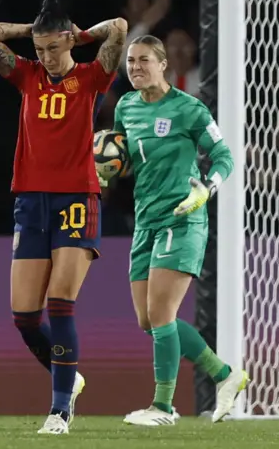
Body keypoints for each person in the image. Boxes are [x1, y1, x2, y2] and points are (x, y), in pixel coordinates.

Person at [0, 0, 127, 435]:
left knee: (60, 302)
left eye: (53, 49)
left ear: (70, 43)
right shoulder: (27, 76)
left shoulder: (92, 77)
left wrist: (77, 36)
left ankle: (60, 409)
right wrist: (31, 31)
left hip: (77, 198)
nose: (46, 58)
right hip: (30, 201)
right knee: (24, 317)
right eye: (40, 51)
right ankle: (68, 377)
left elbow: (117, 26)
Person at [106, 35, 249, 426]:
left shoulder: (190, 110)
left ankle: (163, 406)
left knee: (162, 312)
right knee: (148, 320)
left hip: (183, 217)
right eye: (131, 61)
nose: (135, 67)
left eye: (144, 60)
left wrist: (207, 188)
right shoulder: (126, 107)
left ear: (163, 64)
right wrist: (105, 170)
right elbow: (124, 158)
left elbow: (223, 156)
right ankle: (225, 375)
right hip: (145, 220)